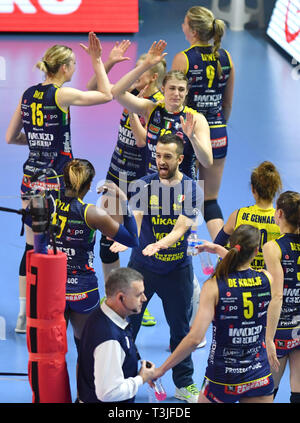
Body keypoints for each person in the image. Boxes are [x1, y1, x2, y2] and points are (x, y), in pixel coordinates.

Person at [5, 32, 112, 333]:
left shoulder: (28, 94)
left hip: (30, 180)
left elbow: (11, 137)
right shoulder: (61, 95)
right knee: (61, 245)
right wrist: (99, 60)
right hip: (56, 183)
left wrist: (39, 143)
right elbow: (104, 94)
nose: (77, 68)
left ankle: (24, 316)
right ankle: (61, 307)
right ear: (64, 68)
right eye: (75, 64)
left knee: (31, 248)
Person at [116, 133, 203, 403]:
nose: (161, 161)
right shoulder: (144, 184)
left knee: (180, 330)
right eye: (158, 155)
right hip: (142, 268)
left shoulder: (191, 189)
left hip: (178, 269)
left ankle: (184, 384)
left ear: (179, 159)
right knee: (129, 324)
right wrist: (129, 239)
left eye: (167, 156)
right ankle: (122, 377)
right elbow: (138, 219)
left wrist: (160, 244)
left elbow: (180, 229)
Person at [88, 43, 166, 327]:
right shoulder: (131, 94)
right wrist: (104, 62)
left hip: (138, 182)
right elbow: (103, 88)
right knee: (107, 239)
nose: (134, 79)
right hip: (115, 174)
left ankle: (137, 300)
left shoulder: (154, 105)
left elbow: (144, 140)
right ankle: (113, 294)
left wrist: (131, 106)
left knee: (136, 242)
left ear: (153, 77)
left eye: (140, 74)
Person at [153, 225, 275, 403]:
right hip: (258, 374)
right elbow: (243, 267)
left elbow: (194, 339)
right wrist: (219, 250)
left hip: (222, 378)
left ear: (231, 245)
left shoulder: (214, 286)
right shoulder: (266, 279)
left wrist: (162, 369)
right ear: (257, 251)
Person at [49, 158, 139, 353]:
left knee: (52, 352)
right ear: (89, 185)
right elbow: (132, 239)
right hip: (82, 289)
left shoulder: (49, 203)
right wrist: (123, 201)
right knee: (86, 348)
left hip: (52, 286)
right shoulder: (92, 214)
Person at [172, 6, 235, 240]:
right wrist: (215, 128)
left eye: (185, 23)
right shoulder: (226, 57)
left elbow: (175, 102)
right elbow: (227, 105)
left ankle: (178, 255)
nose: (182, 26)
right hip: (218, 131)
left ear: (194, 31)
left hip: (188, 133)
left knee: (181, 198)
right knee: (209, 201)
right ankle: (225, 254)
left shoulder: (183, 58)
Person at [111, 40, 213, 182]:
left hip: (183, 193)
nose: (176, 93)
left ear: (187, 92)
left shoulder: (196, 119)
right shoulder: (151, 109)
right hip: (152, 188)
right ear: (163, 89)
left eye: (181, 89)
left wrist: (193, 138)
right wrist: (145, 65)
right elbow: (117, 92)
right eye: (172, 88)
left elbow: (207, 162)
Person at [77, 267, 155, 403]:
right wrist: (140, 379)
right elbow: (108, 393)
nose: (144, 298)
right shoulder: (109, 339)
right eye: (138, 295)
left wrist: (138, 371)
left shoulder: (107, 315)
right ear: (121, 297)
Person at [263, 191, 300, 403]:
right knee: (298, 391)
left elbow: (277, 295)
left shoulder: (273, 247)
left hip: (282, 329)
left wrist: (269, 338)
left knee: (268, 390)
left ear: (279, 214)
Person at [214, 161, 282, 270]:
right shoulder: (282, 220)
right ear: (275, 189)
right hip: (269, 278)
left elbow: (217, 244)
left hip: (241, 277)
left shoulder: (238, 215)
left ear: (253, 189)